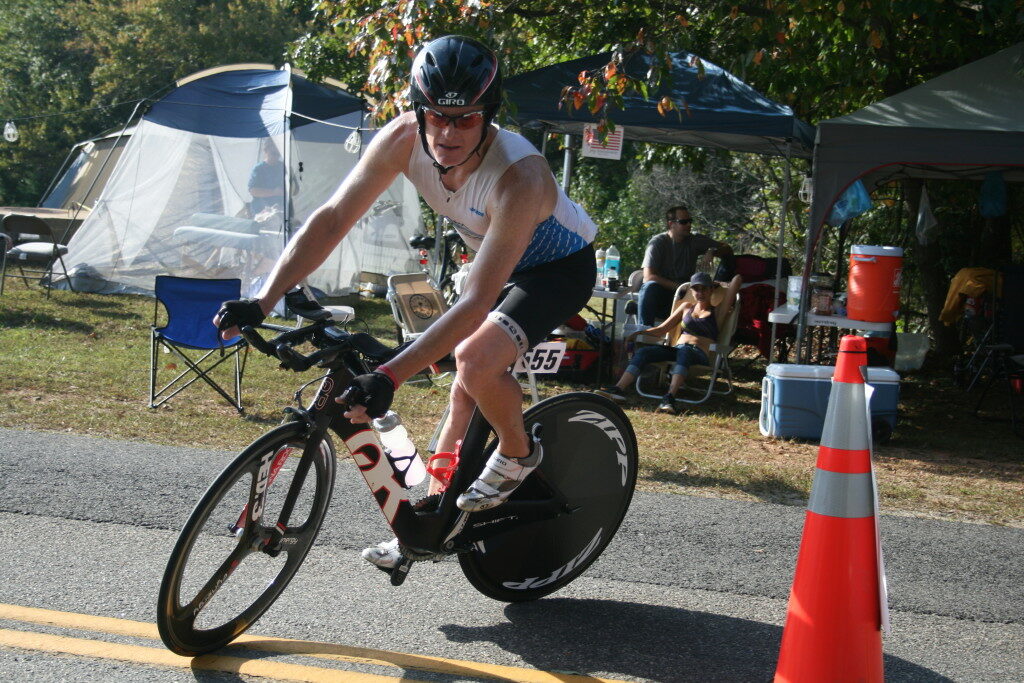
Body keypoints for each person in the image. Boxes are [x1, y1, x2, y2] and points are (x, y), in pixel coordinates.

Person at [214, 35, 597, 570]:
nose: (447, 131)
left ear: (489, 114)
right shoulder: (401, 139)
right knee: (462, 394)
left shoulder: (521, 176)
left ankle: (518, 450)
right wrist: (263, 299)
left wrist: (390, 376)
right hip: (491, 257)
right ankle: (430, 520)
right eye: (436, 115)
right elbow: (330, 220)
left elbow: (479, 302)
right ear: (418, 110)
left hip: (556, 270)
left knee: (475, 360)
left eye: (466, 118)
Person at [597, 272, 742, 414]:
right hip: (678, 350)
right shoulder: (686, 307)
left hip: (699, 354)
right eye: (696, 288)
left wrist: (721, 285)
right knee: (644, 352)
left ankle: (669, 398)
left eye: (704, 288)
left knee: (685, 352)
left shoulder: (718, 312)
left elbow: (737, 278)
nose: (700, 292)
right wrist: (638, 333)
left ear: (711, 289)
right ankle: (618, 389)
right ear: (691, 290)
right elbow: (662, 329)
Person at [637, 206, 733, 325]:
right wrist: (680, 287)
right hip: (664, 294)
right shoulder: (657, 243)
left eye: (690, 221)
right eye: (683, 222)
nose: (688, 225)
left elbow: (728, 249)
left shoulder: (695, 240)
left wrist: (712, 251)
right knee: (649, 287)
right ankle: (643, 333)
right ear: (671, 224)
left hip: (687, 296)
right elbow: (649, 277)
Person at [246, 138, 285, 217]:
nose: (276, 156)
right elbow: (253, 191)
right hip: (262, 212)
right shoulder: (258, 169)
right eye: (273, 153)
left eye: (278, 154)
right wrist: (274, 192)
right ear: (265, 151)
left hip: (281, 211)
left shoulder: (284, 167)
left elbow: (295, 190)